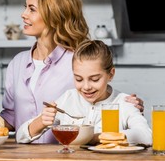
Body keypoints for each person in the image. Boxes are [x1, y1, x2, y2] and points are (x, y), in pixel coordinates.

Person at [0, 0, 144, 143]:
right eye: (25, 7)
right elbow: (10, 115)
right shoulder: (17, 62)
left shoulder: (78, 61)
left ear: (54, 15)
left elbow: (100, 98)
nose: (23, 14)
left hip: (66, 158)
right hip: (22, 159)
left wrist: (129, 106)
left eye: (32, 9)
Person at [16, 40, 152, 145]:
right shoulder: (68, 99)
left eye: (94, 79)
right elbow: (20, 137)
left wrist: (97, 137)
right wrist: (41, 122)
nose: (86, 87)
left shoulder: (124, 102)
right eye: (79, 79)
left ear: (111, 74)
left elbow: (146, 136)